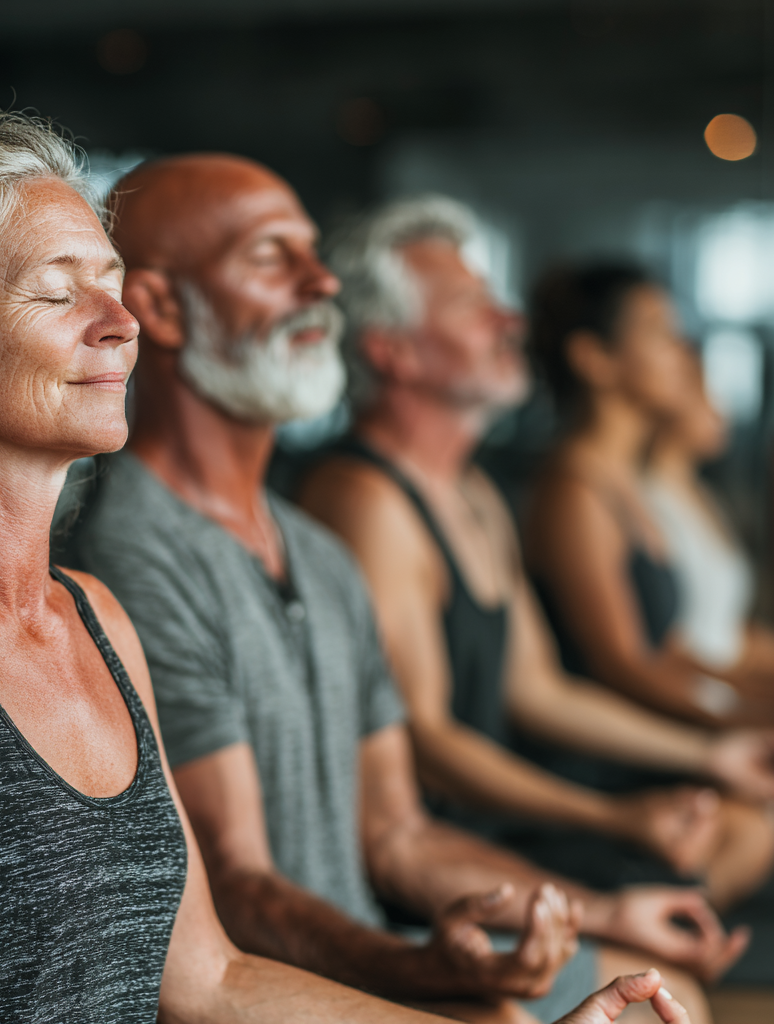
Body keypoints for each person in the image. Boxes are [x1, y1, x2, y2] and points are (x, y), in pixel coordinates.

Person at [0, 80, 648, 1024]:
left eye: (113, 283)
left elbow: (210, 979)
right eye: (59, 291)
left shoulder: (96, 619)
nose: (121, 322)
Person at [60, 153, 735, 1024]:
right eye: (273, 257)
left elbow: (396, 834)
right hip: (280, 984)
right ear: (158, 307)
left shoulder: (316, 549)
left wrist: (597, 910)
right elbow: (238, 891)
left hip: (372, 946)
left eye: (314, 253)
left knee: (663, 995)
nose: (322, 282)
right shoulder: (133, 553)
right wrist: (431, 977)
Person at [294, 196, 774, 915]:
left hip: (498, 828)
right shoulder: (367, 501)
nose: (508, 320)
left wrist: (709, 755)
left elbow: (540, 690)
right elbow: (427, 743)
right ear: (390, 350)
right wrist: (613, 816)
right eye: (469, 305)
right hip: (431, 866)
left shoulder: (474, 490)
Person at [524, 262, 774, 730]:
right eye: (659, 333)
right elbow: (622, 667)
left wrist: (752, 706)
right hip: (611, 763)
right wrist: (749, 720)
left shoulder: (621, 483)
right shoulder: (573, 490)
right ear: (593, 357)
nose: (680, 353)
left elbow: (673, 655)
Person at [644, 348, 774, 705]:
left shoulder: (703, 493)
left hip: (729, 698)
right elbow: (666, 648)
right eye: (707, 395)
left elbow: (728, 635)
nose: (721, 411)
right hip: (695, 709)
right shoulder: (645, 500)